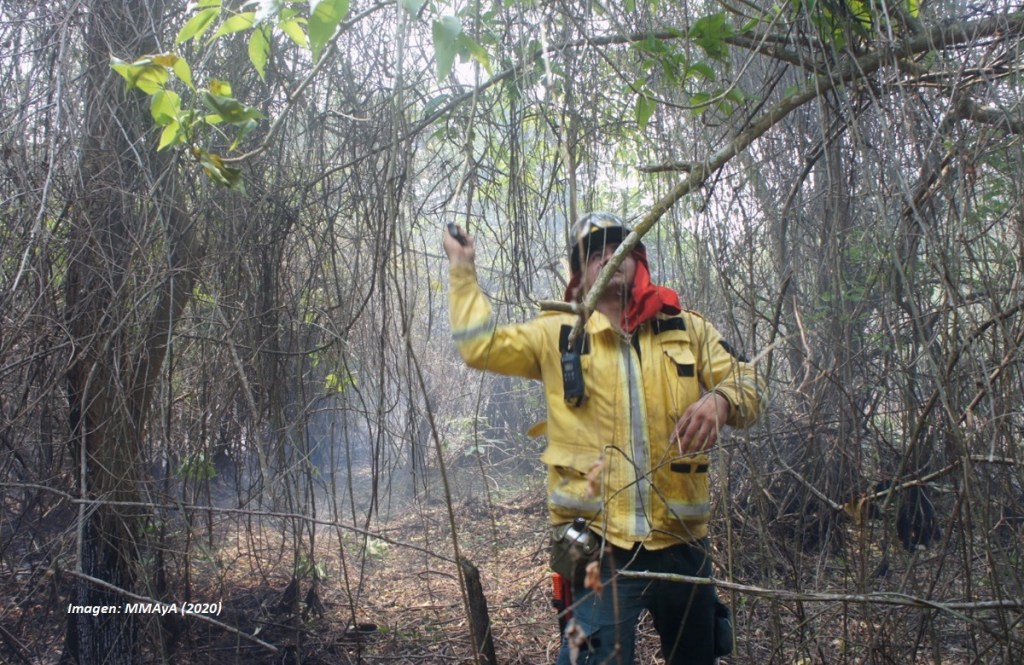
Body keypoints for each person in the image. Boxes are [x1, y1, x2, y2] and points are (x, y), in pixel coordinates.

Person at [444, 212, 764, 664]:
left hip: (682, 544)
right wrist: (462, 268)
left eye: (617, 248)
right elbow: (479, 346)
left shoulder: (686, 328)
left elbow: (750, 383)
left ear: (637, 258)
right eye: (594, 255)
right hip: (598, 550)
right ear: (581, 273)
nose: (607, 259)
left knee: (699, 655)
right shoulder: (559, 335)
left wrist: (722, 400)